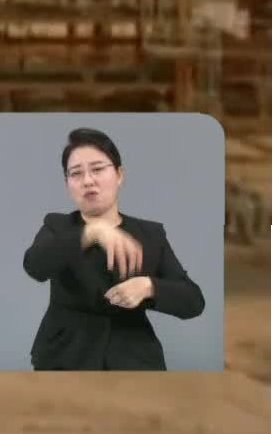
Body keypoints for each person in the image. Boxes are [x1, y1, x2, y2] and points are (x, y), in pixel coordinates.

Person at [21, 127, 205, 370]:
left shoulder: (150, 234)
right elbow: (35, 266)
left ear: (119, 175)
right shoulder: (57, 226)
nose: (88, 181)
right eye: (76, 173)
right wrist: (93, 231)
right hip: (65, 357)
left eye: (97, 169)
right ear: (67, 184)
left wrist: (149, 286)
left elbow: (193, 301)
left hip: (134, 359)